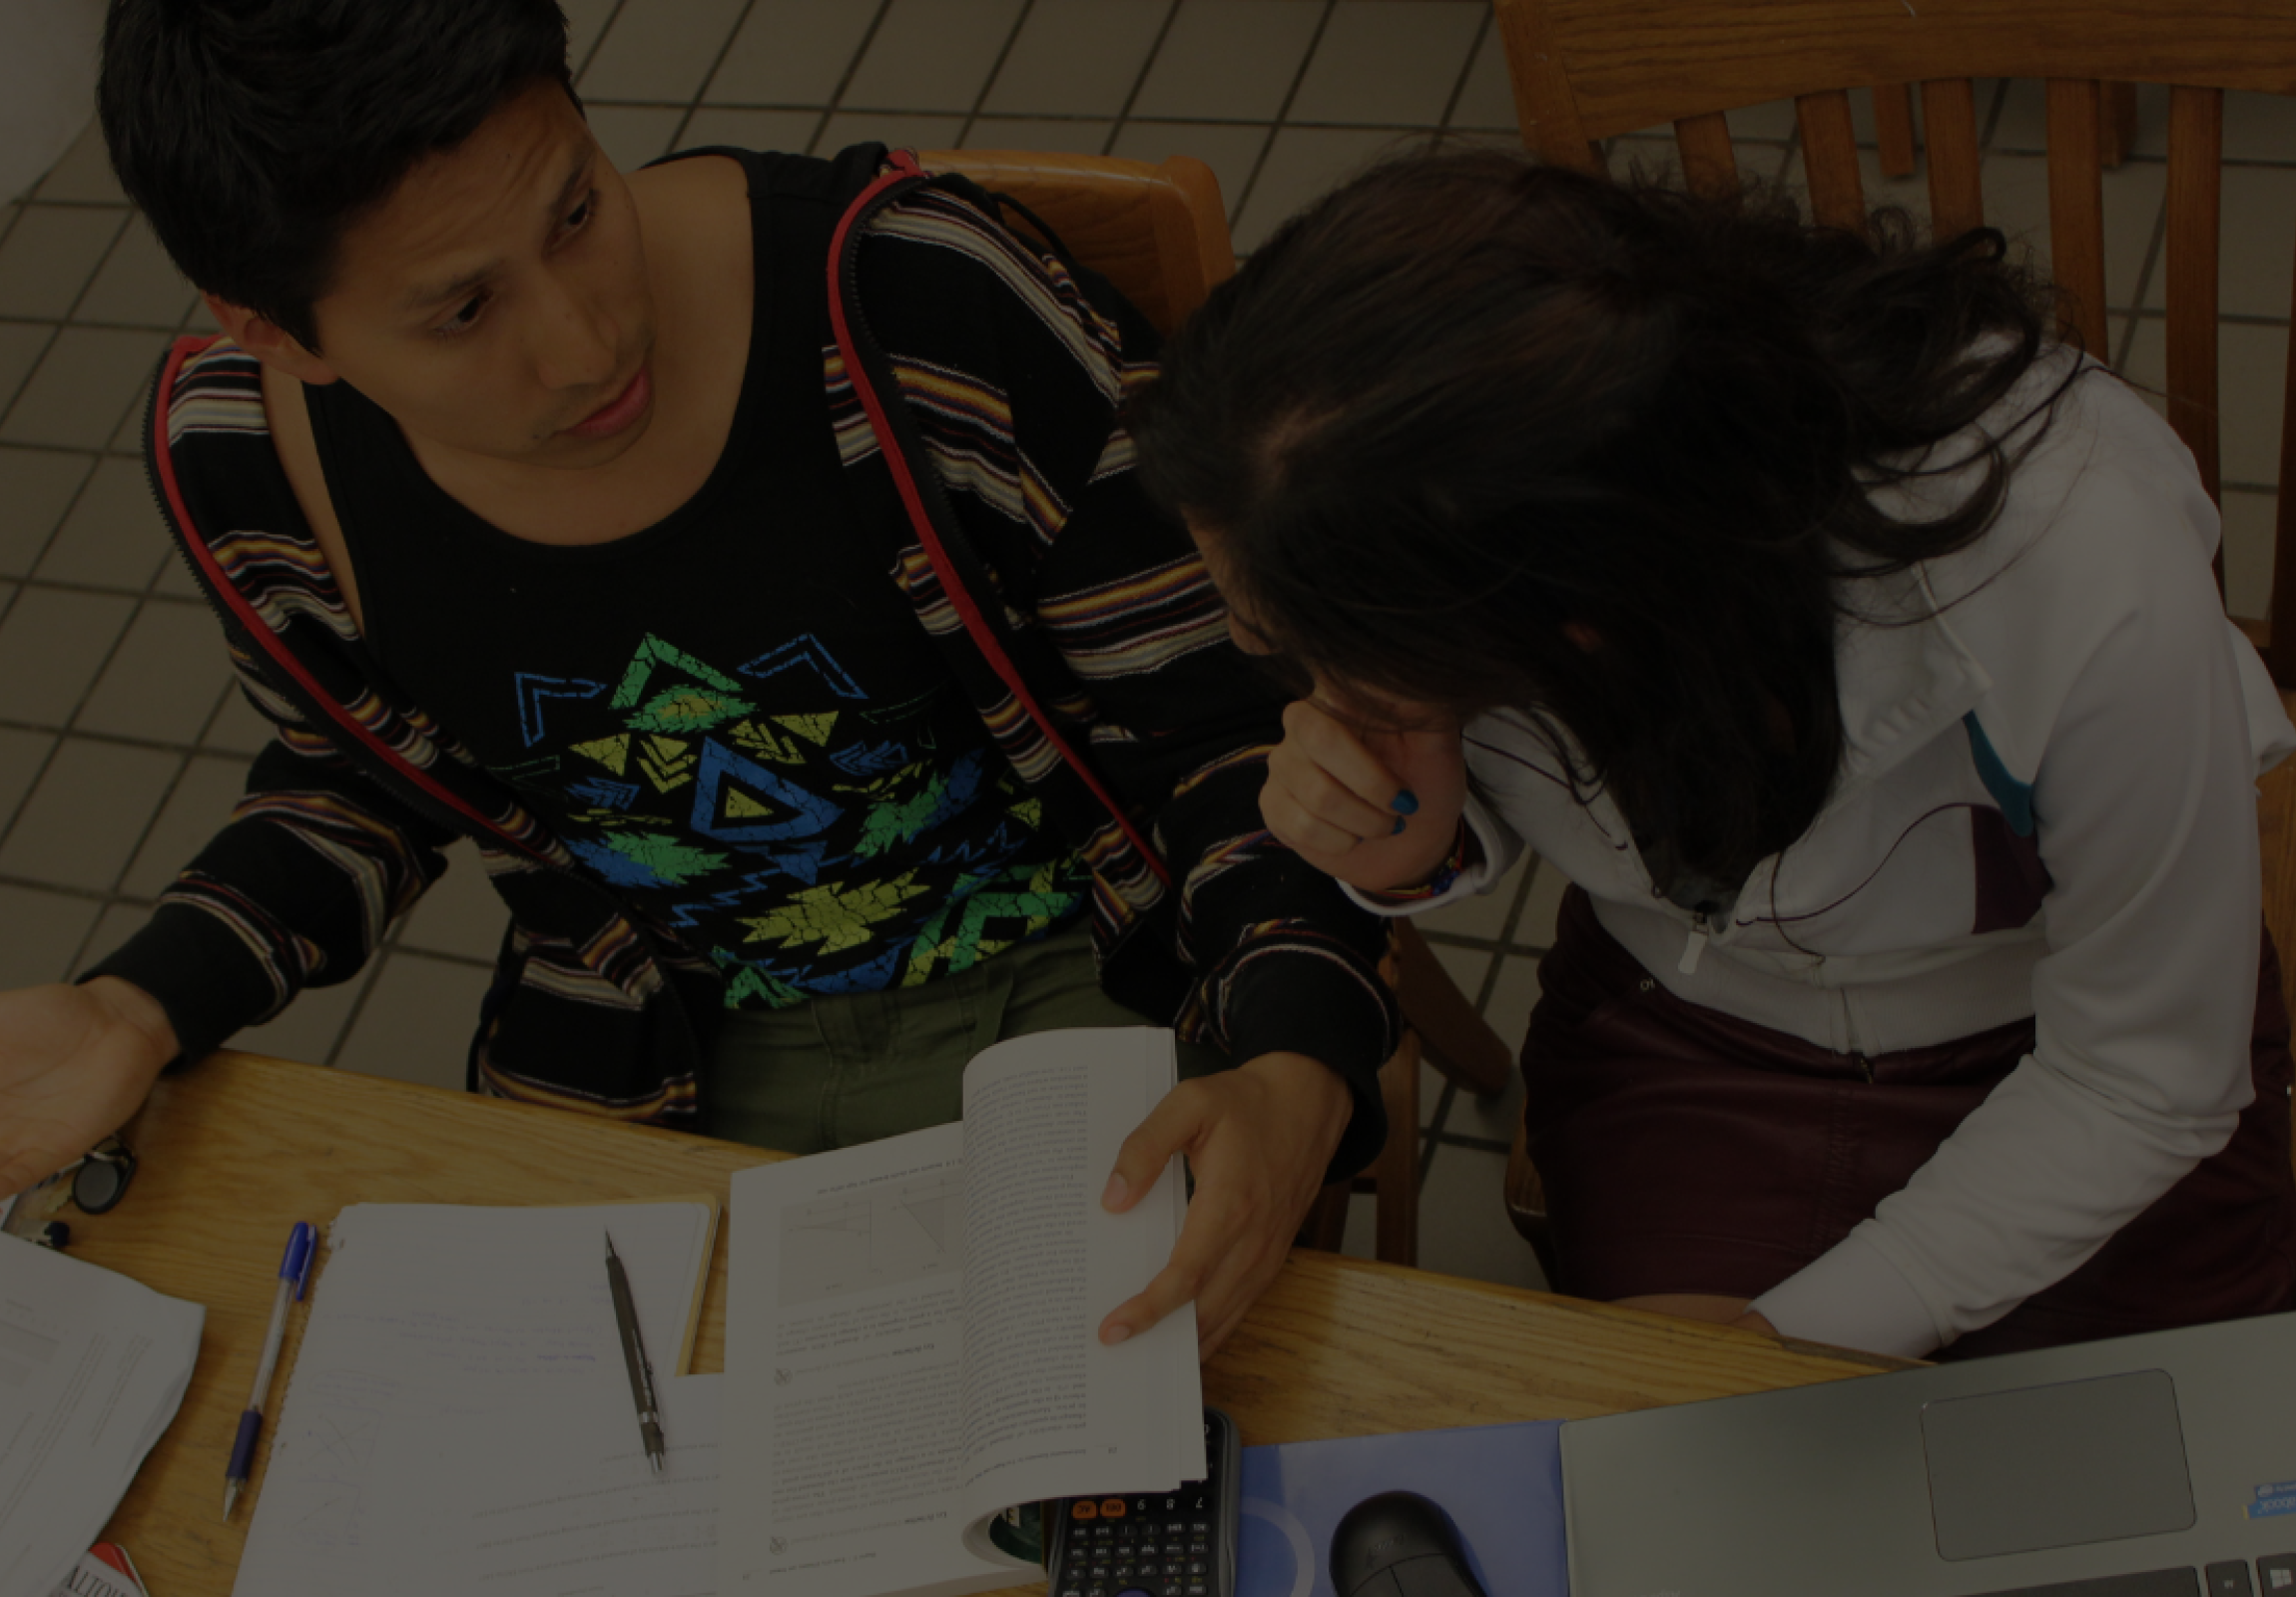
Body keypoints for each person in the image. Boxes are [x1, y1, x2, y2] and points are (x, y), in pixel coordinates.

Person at [0, 0, 1398, 1358]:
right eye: (463, 310)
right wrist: (143, 1000)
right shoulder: (249, 461)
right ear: (277, 335)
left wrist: (1298, 1053)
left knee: (1109, 1477)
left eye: (575, 210)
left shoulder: (916, 306)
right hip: (659, 1036)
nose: (591, 341)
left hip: (1083, 966)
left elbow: (1232, 724)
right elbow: (361, 776)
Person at [1129, 146, 2296, 1361]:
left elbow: (2143, 1074)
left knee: (2141, 1468)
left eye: (1341, 657)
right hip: (1689, 1036)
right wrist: (1421, 840)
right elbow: (1517, 788)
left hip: (2059, 1050)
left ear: (1582, 610)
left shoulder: (2075, 554)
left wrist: (1779, 1332)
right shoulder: (1488, 517)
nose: (1311, 698)